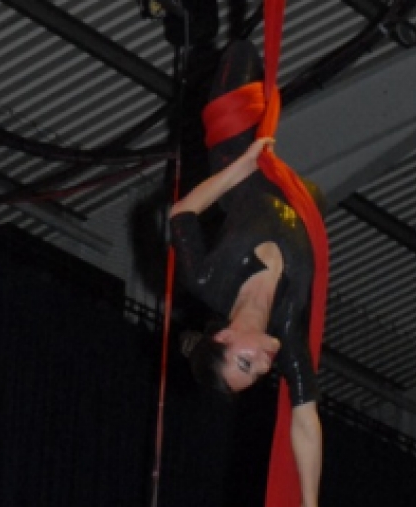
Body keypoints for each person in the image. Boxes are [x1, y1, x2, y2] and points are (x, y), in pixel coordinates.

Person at [169, 41, 323, 507]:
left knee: (242, 50)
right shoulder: (288, 326)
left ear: (222, 339)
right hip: (294, 191)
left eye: (246, 364)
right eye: (257, 374)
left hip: (235, 141)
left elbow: (181, 213)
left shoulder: (207, 280)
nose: (263, 365)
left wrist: (247, 161)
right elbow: (305, 422)